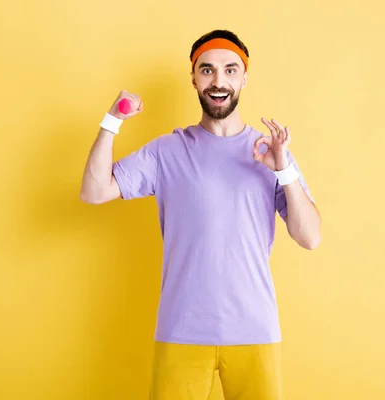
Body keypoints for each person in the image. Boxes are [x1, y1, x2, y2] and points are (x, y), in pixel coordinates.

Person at [80, 29, 321, 400]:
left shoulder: (270, 151)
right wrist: (112, 121)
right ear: (193, 78)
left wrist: (284, 169)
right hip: (181, 332)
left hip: (255, 332)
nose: (218, 80)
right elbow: (94, 191)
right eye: (207, 70)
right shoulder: (167, 151)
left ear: (244, 78)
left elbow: (310, 237)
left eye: (230, 70)